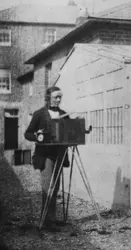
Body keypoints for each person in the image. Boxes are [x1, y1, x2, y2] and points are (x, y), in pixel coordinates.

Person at [24, 86, 70, 232]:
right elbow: (27, 133)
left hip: (59, 155)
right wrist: (37, 135)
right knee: (47, 187)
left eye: (60, 97)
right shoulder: (39, 114)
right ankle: (45, 221)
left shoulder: (63, 114)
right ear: (48, 97)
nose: (58, 99)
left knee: (55, 188)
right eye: (56, 97)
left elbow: (70, 132)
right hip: (45, 156)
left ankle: (51, 219)